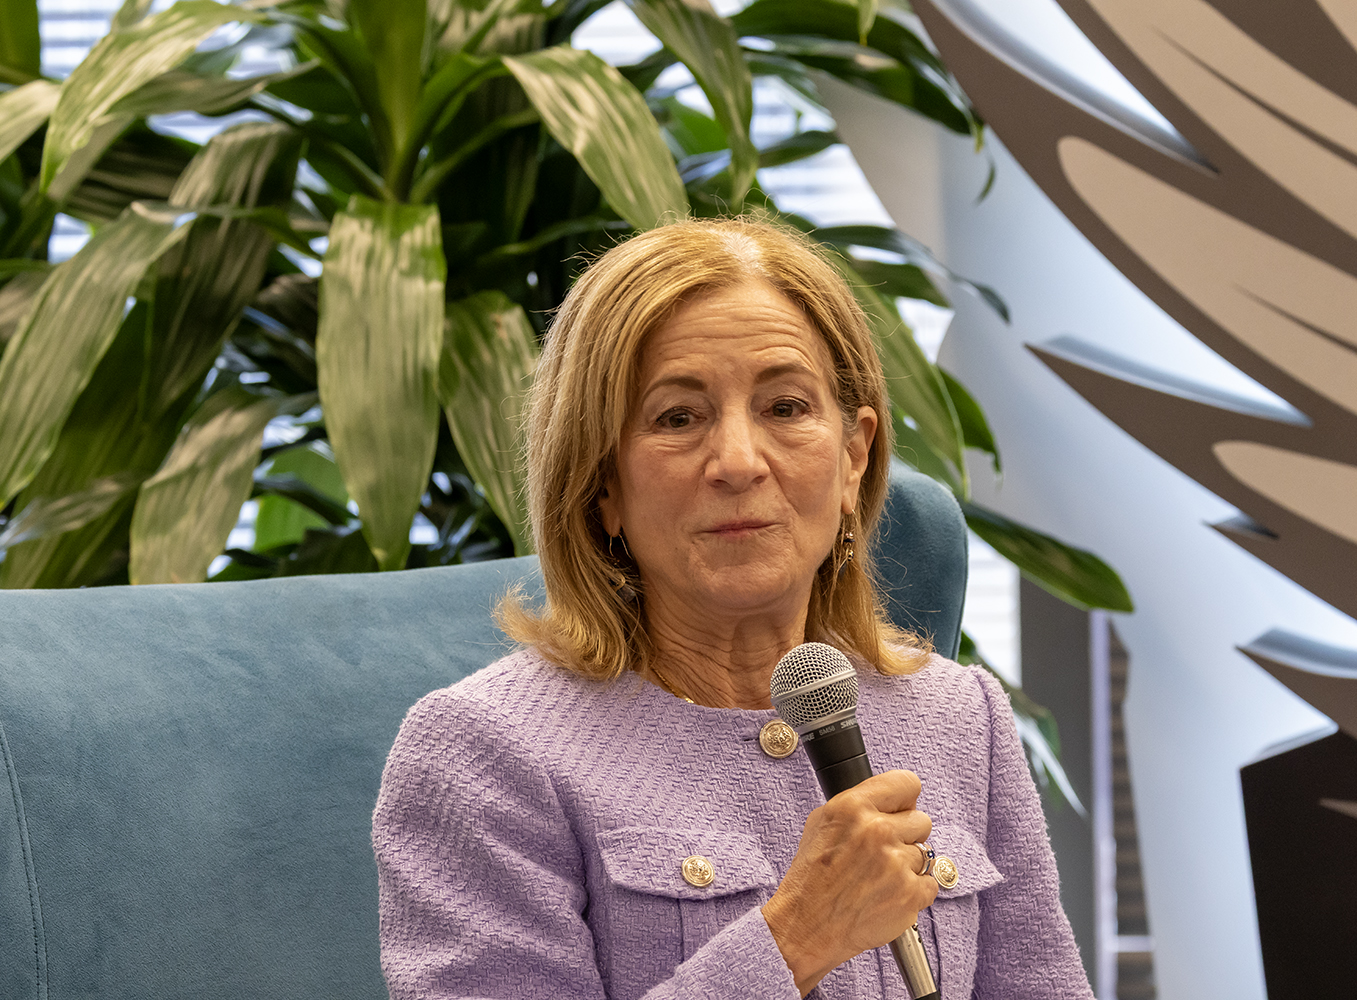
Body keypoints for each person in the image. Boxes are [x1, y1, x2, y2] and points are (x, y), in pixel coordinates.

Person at [372, 218, 1094, 1000]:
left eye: (784, 407)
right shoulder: (483, 750)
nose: (739, 463)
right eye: (677, 417)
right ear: (601, 481)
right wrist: (795, 939)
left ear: (853, 457)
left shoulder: (961, 718)